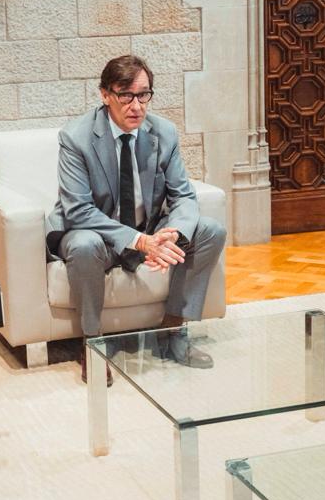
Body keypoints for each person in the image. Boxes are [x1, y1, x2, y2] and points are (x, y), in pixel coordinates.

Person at [46, 55, 226, 383]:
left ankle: (172, 330)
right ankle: (93, 344)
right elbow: (78, 210)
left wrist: (173, 233)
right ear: (105, 95)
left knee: (210, 230)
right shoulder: (76, 137)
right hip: (96, 231)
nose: (136, 106)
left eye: (143, 95)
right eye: (125, 95)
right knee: (84, 245)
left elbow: (183, 196)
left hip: (149, 228)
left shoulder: (164, 132)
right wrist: (142, 242)